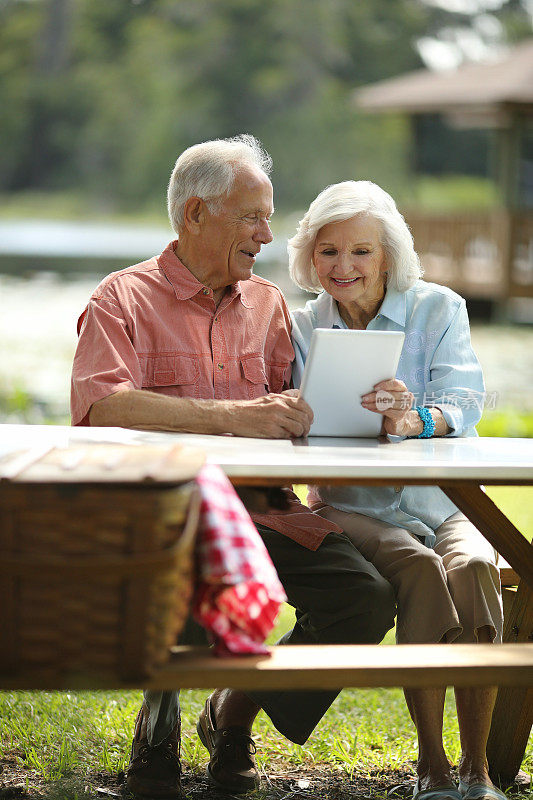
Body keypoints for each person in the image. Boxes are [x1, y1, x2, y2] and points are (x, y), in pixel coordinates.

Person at [70, 139, 396, 799]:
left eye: (266, 217)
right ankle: (157, 723)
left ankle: (230, 714)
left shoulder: (271, 305)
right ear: (195, 215)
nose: (266, 235)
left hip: (266, 509)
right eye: (251, 217)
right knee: (178, 576)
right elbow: (102, 404)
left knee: (362, 597)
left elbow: (295, 408)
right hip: (165, 510)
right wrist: (230, 417)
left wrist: (369, 406)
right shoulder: (121, 298)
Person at [288, 180, 504, 800]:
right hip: (353, 503)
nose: (344, 267)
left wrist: (414, 421)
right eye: (328, 252)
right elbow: (294, 415)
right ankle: (432, 767)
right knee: (417, 566)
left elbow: (464, 404)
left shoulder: (439, 309)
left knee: (473, 566)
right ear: (311, 258)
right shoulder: (302, 323)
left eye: (361, 252)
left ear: (387, 256)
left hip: (444, 499)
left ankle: (478, 770)